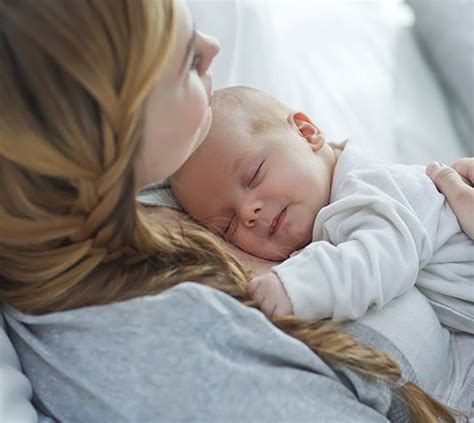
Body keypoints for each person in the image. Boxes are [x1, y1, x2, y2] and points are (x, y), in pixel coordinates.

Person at [0, 1, 466, 421]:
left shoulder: (181, 163)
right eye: (183, 60)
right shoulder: (162, 353)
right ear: (100, 125)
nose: (212, 46)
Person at [171, 86, 474, 335]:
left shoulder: (373, 185)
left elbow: (382, 257)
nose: (249, 210)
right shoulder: (330, 217)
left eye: (253, 176)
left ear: (306, 132)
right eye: (228, 226)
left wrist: (297, 286)